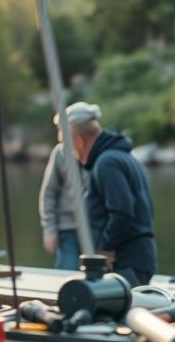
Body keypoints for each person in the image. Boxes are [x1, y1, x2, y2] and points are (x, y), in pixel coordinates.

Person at [69, 102, 156, 286]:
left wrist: (106, 250)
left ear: (78, 141)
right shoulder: (124, 158)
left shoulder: (107, 163)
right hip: (139, 259)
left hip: (125, 264)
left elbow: (122, 210)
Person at [38, 103, 91, 270]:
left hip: (94, 228)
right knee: (66, 274)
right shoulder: (60, 153)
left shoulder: (100, 154)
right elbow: (48, 193)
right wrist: (49, 229)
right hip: (67, 228)